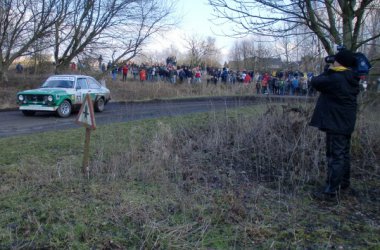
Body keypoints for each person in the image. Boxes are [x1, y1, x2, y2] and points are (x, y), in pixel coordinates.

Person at [309, 49, 360, 200]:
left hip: (335, 123)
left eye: (335, 60)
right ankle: (344, 185)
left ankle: (330, 191)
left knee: (334, 156)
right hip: (346, 123)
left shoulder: (336, 77)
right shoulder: (352, 77)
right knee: (343, 154)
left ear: (340, 62)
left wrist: (328, 71)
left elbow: (315, 82)